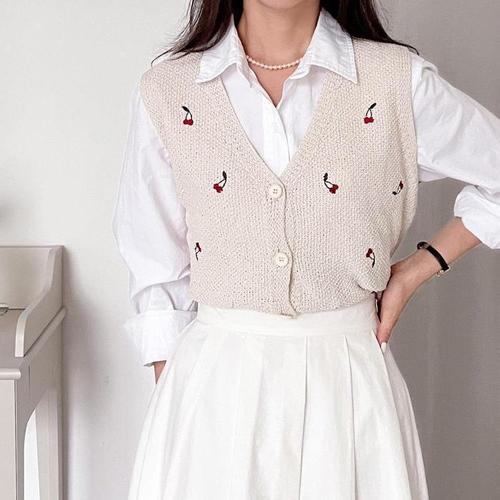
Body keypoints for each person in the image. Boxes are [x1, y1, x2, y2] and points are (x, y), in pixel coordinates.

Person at [111, 1, 500, 498]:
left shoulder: (395, 82)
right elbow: (155, 265)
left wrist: (420, 268)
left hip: (348, 385)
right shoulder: (169, 90)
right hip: (213, 393)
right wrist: (183, 415)